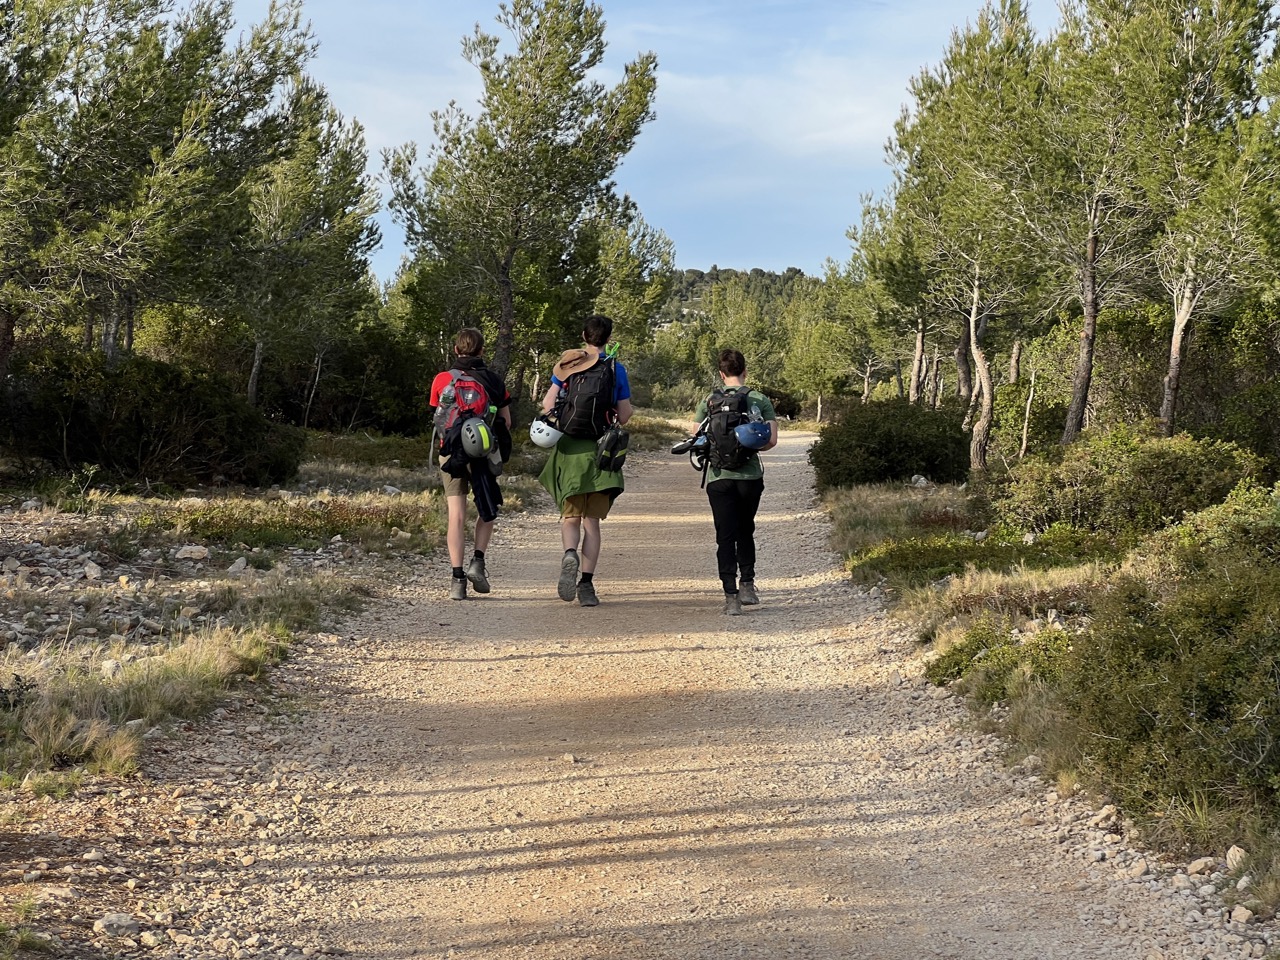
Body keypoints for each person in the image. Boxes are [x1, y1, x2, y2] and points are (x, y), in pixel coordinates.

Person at [537, 314, 633, 607]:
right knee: (592, 522)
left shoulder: (569, 364)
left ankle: (569, 554)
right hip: (600, 453)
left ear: (584, 335)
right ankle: (587, 585)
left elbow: (548, 404)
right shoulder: (616, 369)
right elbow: (626, 414)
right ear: (608, 338)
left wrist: (560, 419)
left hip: (569, 450)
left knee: (571, 518)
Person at [429, 327, 513, 601]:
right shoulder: (493, 380)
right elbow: (507, 422)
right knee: (487, 510)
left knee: (457, 515)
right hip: (482, 453)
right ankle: (478, 560)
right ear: (482, 351)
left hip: (451, 455)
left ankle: (457, 580)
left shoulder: (442, 379)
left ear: (456, 350)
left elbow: (438, 419)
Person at [694, 348, 778, 616]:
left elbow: (697, 439)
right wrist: (747, 449)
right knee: (746, 529)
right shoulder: (759, 399)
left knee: (724, 536)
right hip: (749, 476)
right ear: (745, 371)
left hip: (718, 478)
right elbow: (771, 441)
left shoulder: (708, 401)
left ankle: (730, 596)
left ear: (721, 373)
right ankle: (748, 585)